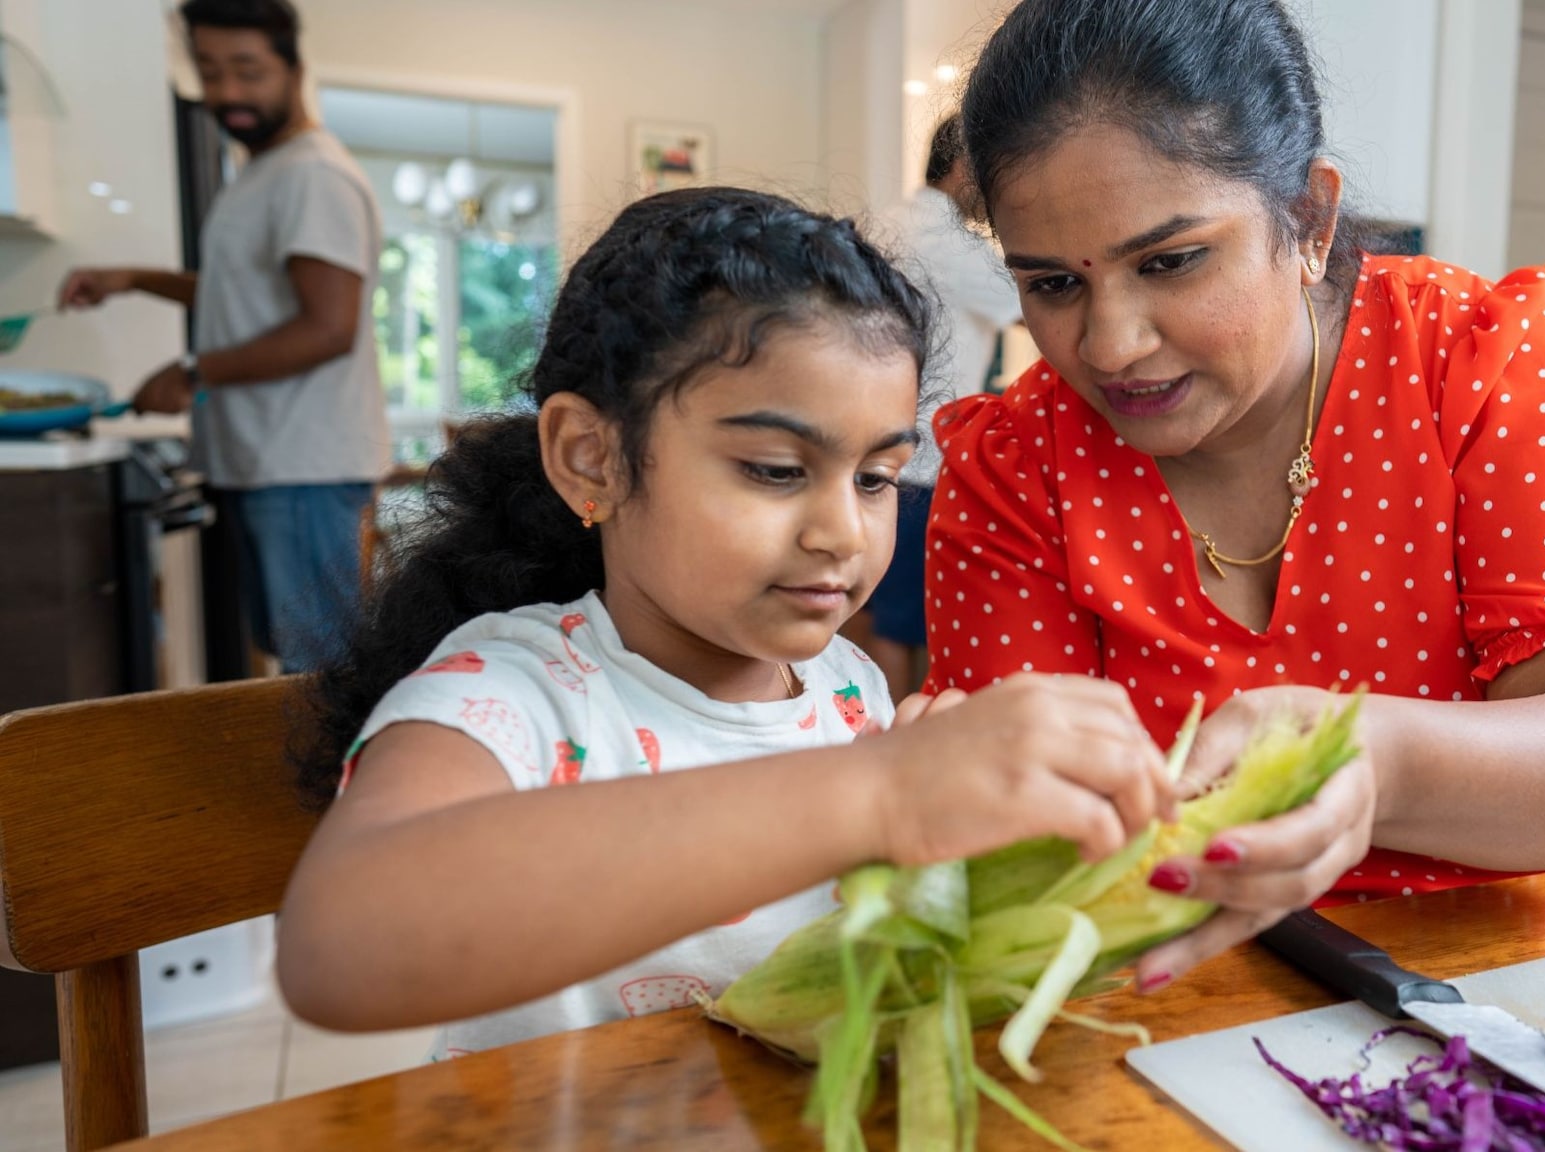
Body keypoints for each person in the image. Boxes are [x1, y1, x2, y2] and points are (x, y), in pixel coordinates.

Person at [926, 0, 1545, 993]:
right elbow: (1017, 859)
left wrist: (1368, 758)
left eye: (1169, 261)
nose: (1109, 345)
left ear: (1307, 219)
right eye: (1051, 285)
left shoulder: (1484, 363)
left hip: (1494, 990)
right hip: (1150, 1006)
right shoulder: (1011, 464)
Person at [272, 188, 1172, 1053]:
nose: (841, 534)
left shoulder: (848, 691)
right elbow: (337, 947)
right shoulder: (511, 695)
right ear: (592, 459)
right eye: (777, 470)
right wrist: (882, 794)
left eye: (876, 478)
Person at [58, 0, 387, 673]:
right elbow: (241, 292)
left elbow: (327, 327)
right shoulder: (263, 171)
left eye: (247, 70)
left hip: (302, 466)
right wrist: (133, 279)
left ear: (293, 69)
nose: (228, 92)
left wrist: (191, 371)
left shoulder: (312, 174)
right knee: (294, 660)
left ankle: (338, 784)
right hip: (270, 461)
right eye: (211, 72)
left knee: (319, 673)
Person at [859, 115, 1024, 698]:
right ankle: (902, 747)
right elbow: (1032, 296)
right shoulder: (953, 244)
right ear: (963, 168)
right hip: (928, 460)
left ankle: (885, 737)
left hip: (883, 449)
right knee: (919, 619)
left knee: (888, 616)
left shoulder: (883, 223)